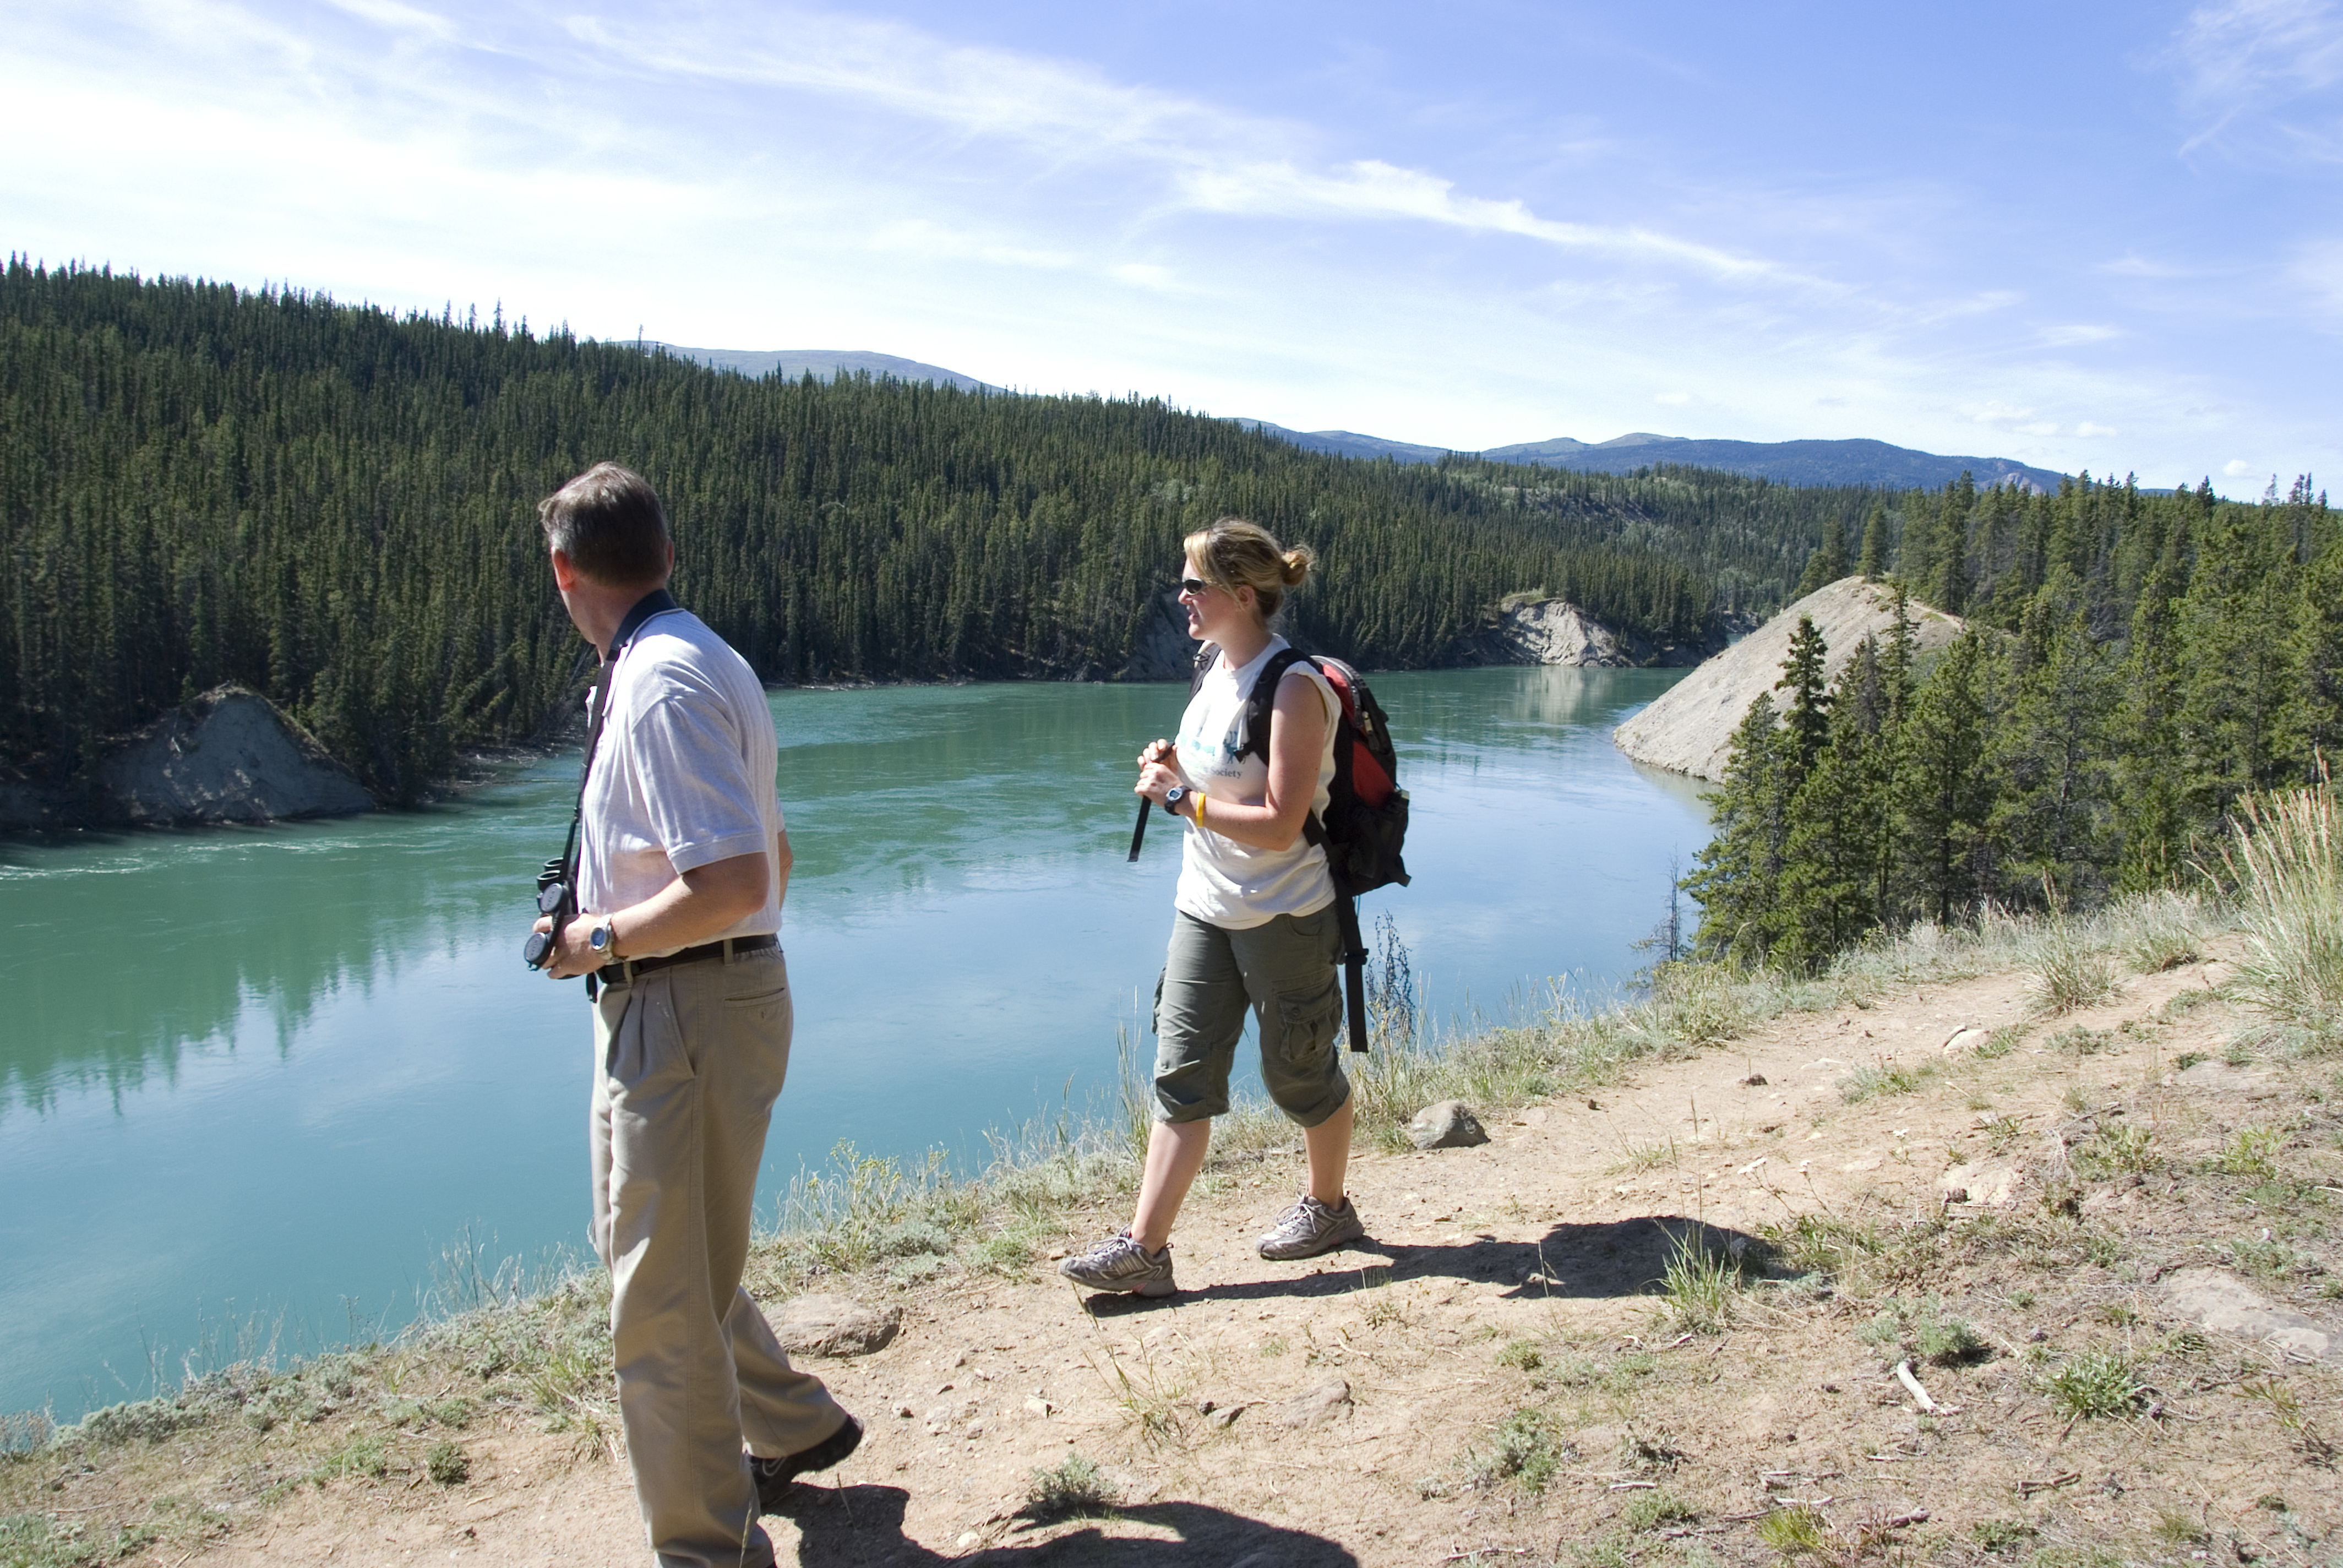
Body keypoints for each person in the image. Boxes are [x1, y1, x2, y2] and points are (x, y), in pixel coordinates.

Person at [530, 462, 860, 1568]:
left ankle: (706, 1549)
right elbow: (776, 853)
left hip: (679, 1000)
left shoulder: (659, 682)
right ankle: (795, 1419)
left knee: (657, 1306)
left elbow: (726, 874)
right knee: (675, 1258)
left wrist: (598, 938)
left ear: (564, 570)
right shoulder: (698, 658)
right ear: (666, 556)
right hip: (708, 996)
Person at [1061, 517, 1366, 1297]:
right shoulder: (1213, 669)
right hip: (1204, 907)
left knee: (1299, 1075)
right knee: (1181, 1075)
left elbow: (1280, 825)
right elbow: (1212, 772)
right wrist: (1174, 766)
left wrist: (1180, 800)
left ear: (1240, 594)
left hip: (1285, 912)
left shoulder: (1293, 687)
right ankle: (1145, 1251)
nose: (1182, 597)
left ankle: (1329, 1209)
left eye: (1194, 584)